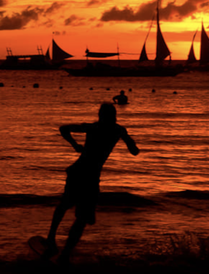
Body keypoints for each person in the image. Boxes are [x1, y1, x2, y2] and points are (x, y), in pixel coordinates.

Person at [45, 103, 139, 265]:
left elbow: (63, 129)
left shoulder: (94, 128)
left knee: (67, 207)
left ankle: (53, 242)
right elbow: (134, 151)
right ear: (114, 116)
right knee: (80, 216)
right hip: (88, 176)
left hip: (81, 173)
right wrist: (130, 143)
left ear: (101, 116)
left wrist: (75, 145)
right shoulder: (117, 130)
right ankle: (62, 251)